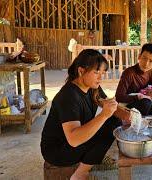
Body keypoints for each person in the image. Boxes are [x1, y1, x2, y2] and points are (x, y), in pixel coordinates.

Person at [40, 49, 121, 180]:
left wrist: (130, 115)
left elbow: (105, 102)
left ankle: (89, 160)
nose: (101, 77)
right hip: (58, 151)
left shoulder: (92, 86)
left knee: (114, 122)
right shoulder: (68, 96)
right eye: (96, 72)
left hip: (74, 141)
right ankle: (81, 173)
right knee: (107, 128)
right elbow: (73, 139)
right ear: (81, 71)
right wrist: (103, 115)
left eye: (103, 73)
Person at [115, 43, 152, 116]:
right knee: (146, 102)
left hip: (146, 107)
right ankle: (144, 123)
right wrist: (138, 96)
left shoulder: (149, 72)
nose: (146, 64)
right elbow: (118, 97)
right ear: (139, 57)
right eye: (144, 58)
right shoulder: (129, 73)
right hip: (130, 108)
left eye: (151, 61)